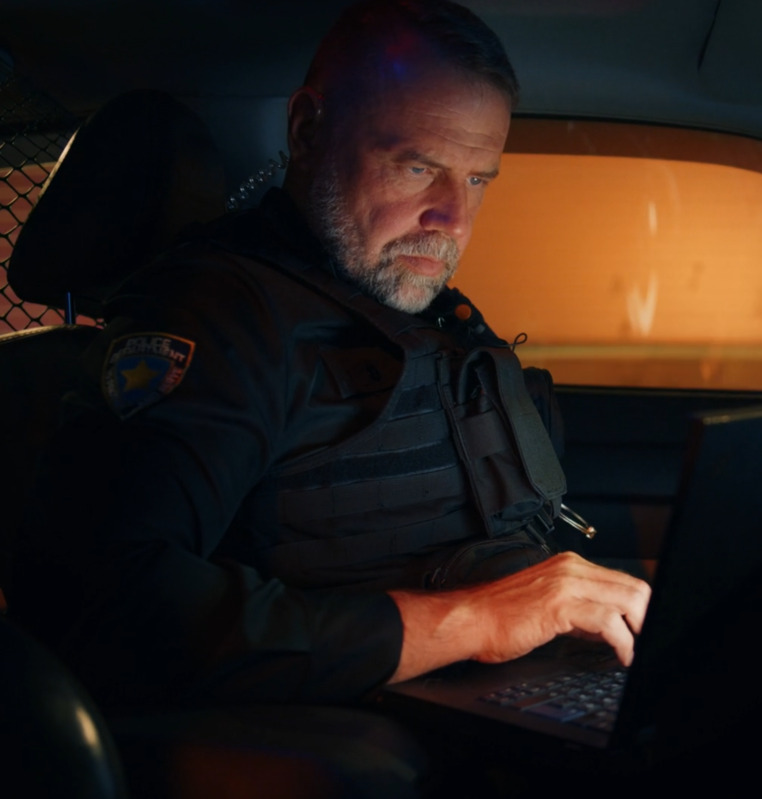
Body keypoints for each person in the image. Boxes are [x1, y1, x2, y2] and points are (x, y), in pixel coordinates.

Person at [11, 0, 649, 716]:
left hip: (522, 691)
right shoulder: (217, 318)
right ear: (309, 130)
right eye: (417, 166)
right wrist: (473, 621)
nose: (453, 221)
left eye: (477, 180)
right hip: (358, 732)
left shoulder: (422, 310)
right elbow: (106, 601)